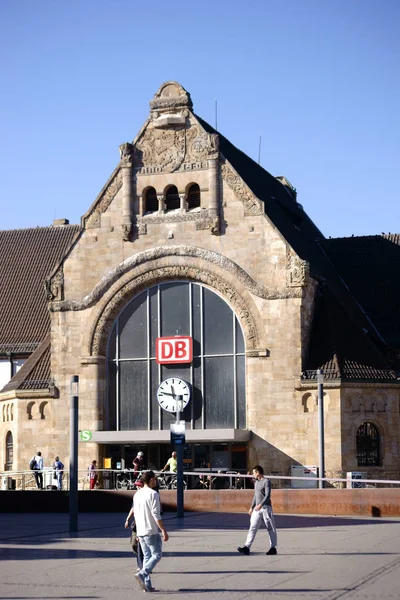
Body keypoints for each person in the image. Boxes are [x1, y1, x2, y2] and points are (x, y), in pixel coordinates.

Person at [127, 469, 169, 593]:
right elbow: (156, 514)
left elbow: (137, 513)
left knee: (147, 556)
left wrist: (138, 532)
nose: (156, 481)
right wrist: (163, 530)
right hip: (151, 529)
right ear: (151, 480)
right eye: (155, 479)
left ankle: (147, 585)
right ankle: (143, 572)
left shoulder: (137, 494)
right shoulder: (153, 494)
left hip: (140, 531)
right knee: (157, 554)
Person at [237, 465, 278, 556]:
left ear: (258, 472)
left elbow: (268, 495)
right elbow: (255, 496)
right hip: (257, 509)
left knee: (270, 528)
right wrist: (252, 507)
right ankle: (246, 547)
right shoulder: (256, 483)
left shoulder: (266, 482)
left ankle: (273, 548)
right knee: (253, 527)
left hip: (266, 508)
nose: (253, 475)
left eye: (254, 473)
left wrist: (261, 504)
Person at [125, 478, 144, 571]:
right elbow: (133, 509)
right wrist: (128, 519)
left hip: (144, 524)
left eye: (139, 485)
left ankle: (144, 566)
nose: (137, 487)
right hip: (136, 525)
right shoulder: (136, 496)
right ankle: (142, 563)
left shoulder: (148, 495)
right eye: (137, 485)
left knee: (142, 546)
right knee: (134, 544)